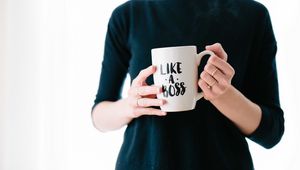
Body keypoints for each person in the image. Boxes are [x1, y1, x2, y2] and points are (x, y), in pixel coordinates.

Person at [91, 0, 284, 169]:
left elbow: (271, 132)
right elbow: (99, 116)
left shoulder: (253, 15)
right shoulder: (128, 15)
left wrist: (223, 95)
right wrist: (131, 106)